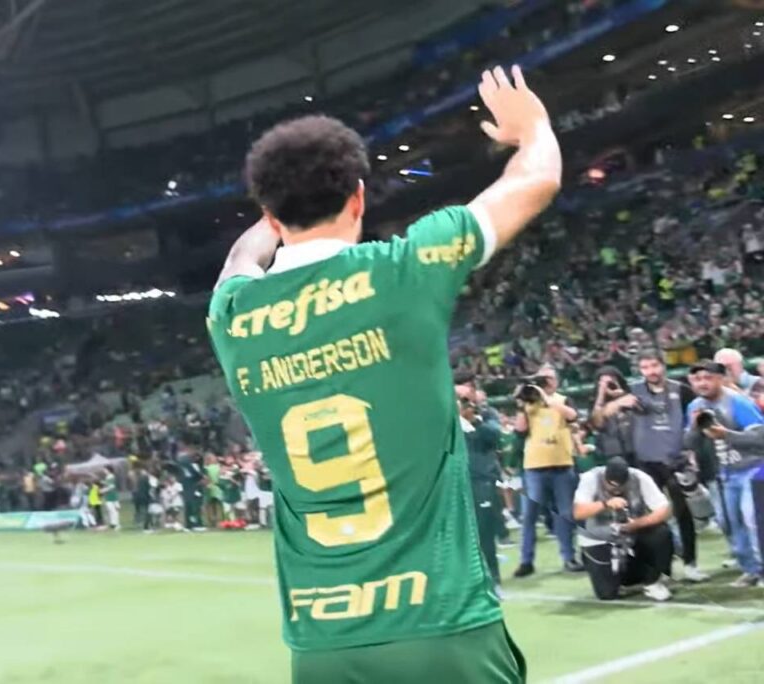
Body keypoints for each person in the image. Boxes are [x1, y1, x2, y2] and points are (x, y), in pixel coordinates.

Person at [207, 65, 560, 683]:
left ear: (267, 213)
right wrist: (532, 127)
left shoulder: (232, 315)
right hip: (443, 625)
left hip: (322, 646)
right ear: (359, 197)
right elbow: (538, 179)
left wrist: (266, 224)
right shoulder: (406, 268)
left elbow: (239, 261)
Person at [627, 350, 705, 582]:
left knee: (684, 514)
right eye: (645, 367)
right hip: (646, 462)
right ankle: (661, 570)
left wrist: (692, 452)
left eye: (654, 365)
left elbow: (696, 420)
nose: (650, 371)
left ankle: (691, 564)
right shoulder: (633, 392)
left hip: (675, 461)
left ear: (663, 366)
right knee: (652, 518)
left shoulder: (681, 390)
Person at [685, 361, 764, 587]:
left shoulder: (738, 402)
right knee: (729, 523)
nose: (703, 383)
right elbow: (687, 443)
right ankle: (750, 569)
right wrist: (693, 426)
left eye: (708, 378)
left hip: (752, 469)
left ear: (720, 379)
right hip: (722, 473)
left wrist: (726, 434)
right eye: (698, 379)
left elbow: (760, 439)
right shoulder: (694, 407)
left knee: (753, 520)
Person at [513, 365, 583, 577]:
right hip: (535, 466)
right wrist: (521, 403)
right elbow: (520, 430)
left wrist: (546, 397)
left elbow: (572, 416)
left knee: (565, 514)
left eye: (548, 378)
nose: (544, 382)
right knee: (529, 516)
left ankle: (569, 557)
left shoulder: (562, 400)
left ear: (556, 381)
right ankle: (526, 560)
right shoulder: (529, 404)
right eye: (541, 379)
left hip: (562, 464)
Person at [573, 457, 673, 602]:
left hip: (631, 533)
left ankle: (652, 581)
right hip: (599, 538)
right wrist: (605, 504)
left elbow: (664, 509)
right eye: (612, 486)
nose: (616, 490)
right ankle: (620, 579)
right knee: (606, 594)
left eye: (621, 486)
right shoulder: (590, 478)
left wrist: (636, 524)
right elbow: (578, 512)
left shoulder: (639, 477)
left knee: (661, 533)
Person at [460, 396, 504, 593]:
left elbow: (494, 435)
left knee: (485, 534)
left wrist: (473, 421)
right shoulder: (445, 421)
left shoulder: (485, 416)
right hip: (454, 485)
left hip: (480, 483)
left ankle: (493, 580)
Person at [588, 366, 636, 465]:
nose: (609, 384)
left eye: (612, 380)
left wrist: (620, 393)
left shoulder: (631, 394)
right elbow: (597, 423)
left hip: (635, 448)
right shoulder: (595, 403)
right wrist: (601, 392)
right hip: (611, 452)